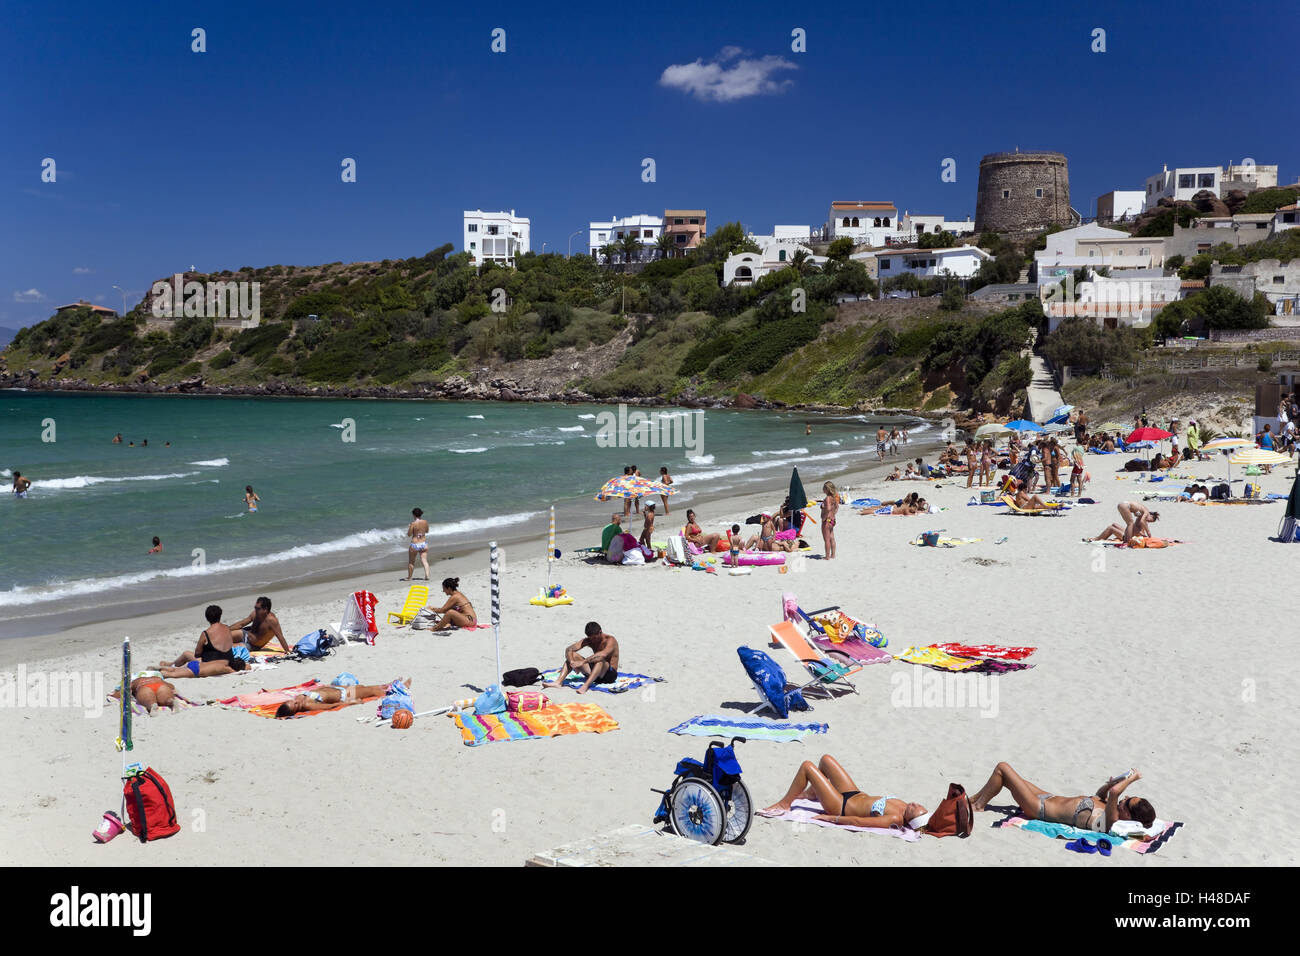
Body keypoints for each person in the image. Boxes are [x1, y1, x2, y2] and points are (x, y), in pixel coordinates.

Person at [969, 762, 1156, 834]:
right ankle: (974, 801)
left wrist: (1132, 778)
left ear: (1128, 816)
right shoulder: (1109, 807)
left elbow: (1116, 793)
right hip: (1047, 796)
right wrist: (1110, 783)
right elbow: (1101, 794)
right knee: (1004, 776)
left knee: (1003, 768)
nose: (1126, 797)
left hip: (1039, 808)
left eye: (1128, 801)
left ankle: (977, 805)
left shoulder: (1110, 821)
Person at [757, 755, 929, 829]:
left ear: (910, 819)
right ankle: (811, 794)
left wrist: (830, 818)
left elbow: (858, 822)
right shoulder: (904, 806)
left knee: (807, 767)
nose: (914, 804)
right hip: (854, 793)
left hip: (841, 806)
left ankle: (785, 804)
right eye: (918, 805)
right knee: (826, 760)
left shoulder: (895, 818)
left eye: (915, 808)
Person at [161, 605, 248, 678]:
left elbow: (197, 653)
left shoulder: (206, 633)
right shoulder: (227, 629)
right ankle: (171, 665)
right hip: (227, 660)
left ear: (207, 618)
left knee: (186, 654)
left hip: (209, 663)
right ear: (220, 616)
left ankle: (172, 665)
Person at [275, 677, 412, 718]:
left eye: (293, 702)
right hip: (344, 695)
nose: (297, 702)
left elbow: (318, 690)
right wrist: (350, 703)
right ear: (295, 710)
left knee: (366, 687)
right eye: (296, 706)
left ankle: (387, 684)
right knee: (370, 691)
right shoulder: (308, 705)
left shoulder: (298, 698)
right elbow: (328, 706)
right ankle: (400, 687)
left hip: (339, 689)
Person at [544, 621, 619, 694]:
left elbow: (603, 655)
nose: (593, 641)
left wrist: (583, 662)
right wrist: (572, 662)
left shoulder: (610, 640)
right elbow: (569, 649)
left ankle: (585, 686)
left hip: (609, 675)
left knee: (600, 660)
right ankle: (558, 682)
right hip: (595, 673)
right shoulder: (589, 640)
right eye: (591, 638)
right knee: (573, 655)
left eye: (595, 638)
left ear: (600, 632)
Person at [1087, 502, 1159, 545]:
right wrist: (1148, 533)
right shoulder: (1145, 514)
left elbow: (1136, 514)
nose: (1148, 521)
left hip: (1122, 504)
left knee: (1114, 525)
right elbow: (1141, 523)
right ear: (1150, 515)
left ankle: (1096, 538)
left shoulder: (1141, 515)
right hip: (1128, 536)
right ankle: (1097, 539)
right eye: (1150, 520)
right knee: (1129, 523)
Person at [111, 670, 178, 714]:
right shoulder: (157, 677)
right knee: (165, 696)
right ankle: (170, 701)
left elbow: (125, 690)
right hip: (161, 684)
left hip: (144, 686)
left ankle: (151, 705)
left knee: (148, 699)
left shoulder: (135, 680)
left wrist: (116, 694)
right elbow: (171, 686)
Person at [406, 507, 430, 581]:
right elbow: (427, 531)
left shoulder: (413, 524)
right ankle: (427, 575)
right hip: (423, 543)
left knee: (411, 562)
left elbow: (409, 534)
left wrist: (409, 527)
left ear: (414, 515)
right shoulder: (425, 522)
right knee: (424, 560)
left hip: (415, 544)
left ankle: (409, 577)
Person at [820, 481, 838, 559]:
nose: (822, 489)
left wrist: (824, 516)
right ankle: (833, 555)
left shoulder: (827, 498)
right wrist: (833, 514)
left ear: (827, 489)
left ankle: (827, 556)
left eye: (824, 487)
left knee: (826, 539)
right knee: (832, 538)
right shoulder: (834, 498)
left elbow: (828, 508)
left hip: (827, 521)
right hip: (832, 520)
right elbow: (837, 507)